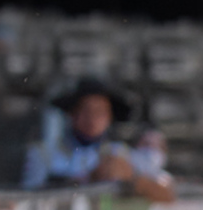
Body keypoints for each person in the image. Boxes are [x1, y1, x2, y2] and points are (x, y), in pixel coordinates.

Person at [22, 77, 175, 201]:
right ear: (72, 114)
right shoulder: (45, 154)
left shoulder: (121, 154)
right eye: (86, 111)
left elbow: (166, 192)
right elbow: (29, 197)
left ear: (109, 117)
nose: (93, 119)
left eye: (100, 112)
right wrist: (89, 179)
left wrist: (132, 179)